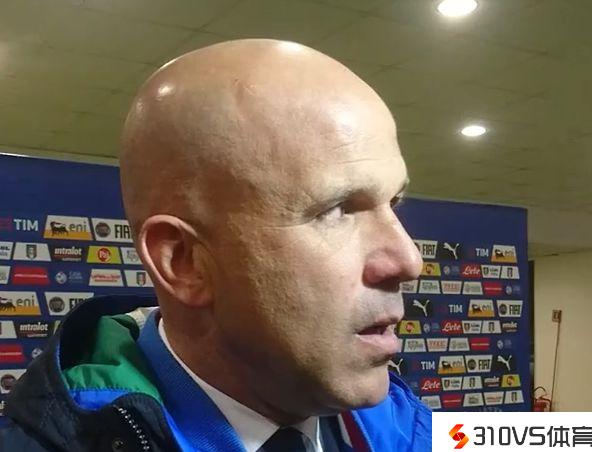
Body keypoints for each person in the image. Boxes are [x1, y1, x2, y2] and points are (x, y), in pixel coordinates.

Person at [0, 39, 430, 451]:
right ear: (184, 262)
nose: (409, 260)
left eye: (393, 202)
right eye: (336, 209)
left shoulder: (414, 427)